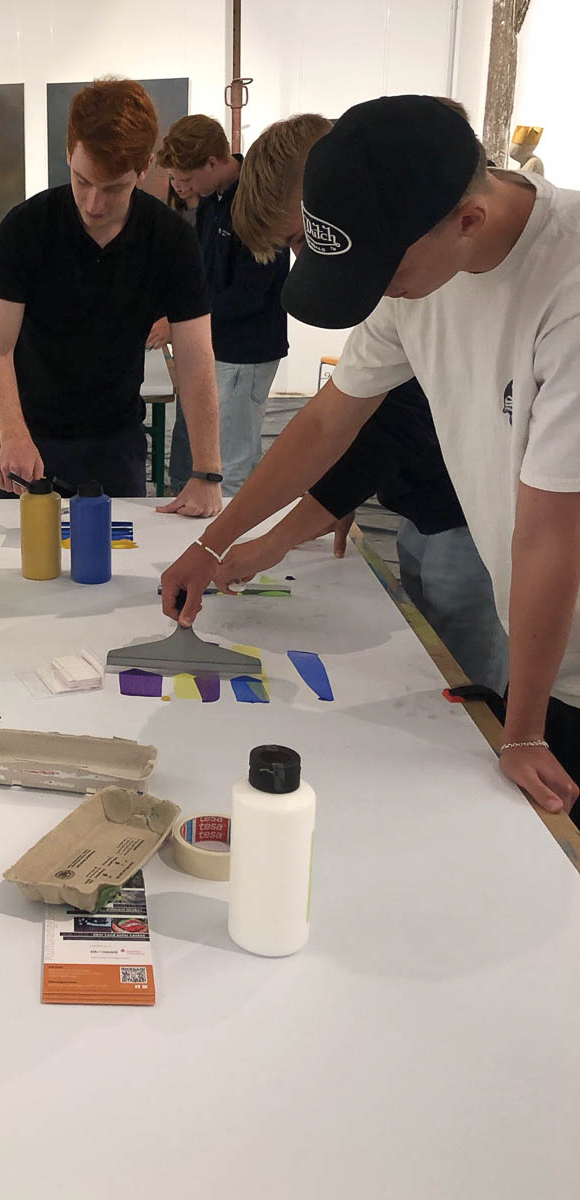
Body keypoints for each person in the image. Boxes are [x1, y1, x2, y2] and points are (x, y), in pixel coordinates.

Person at [162, 94, 580, 821]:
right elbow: (329, 419)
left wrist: (523, 730)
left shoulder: (565, 287)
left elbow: (551, 534)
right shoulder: (413, 253)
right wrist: (212, 542)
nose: (379, 290)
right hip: (544, 645)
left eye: (382, 271)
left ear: (468, 222)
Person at [219, 112, 507, 693]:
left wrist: (275, 538)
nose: (311, 258)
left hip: (475, 515)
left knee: (474, 694)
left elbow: (393, 423)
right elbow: (336, 416)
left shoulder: (432, 257)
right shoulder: (402, 272)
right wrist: (222, 537)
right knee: (439, 667)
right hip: (426, 505)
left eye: (305, 239)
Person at [0, 78, 223, 509]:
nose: (94, 204)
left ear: (145, 168)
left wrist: (206, 471)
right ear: (68, 153)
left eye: (114, 188)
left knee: (118, 549)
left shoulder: (170, 240)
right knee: (25, 553)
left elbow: (195, 357)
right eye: (83, 180)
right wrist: (12, 435)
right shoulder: (25, 228)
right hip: (28, 435)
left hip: (116, 439)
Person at [155, 115, 289, 495]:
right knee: (210, 450)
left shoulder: (256, 200)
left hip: (245, 351)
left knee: (230, 463)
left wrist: (183, 324)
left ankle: (228, 529)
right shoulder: (212, 200)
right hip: (217, 346)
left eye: (187, 177)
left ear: (212, 163)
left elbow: (250, 292)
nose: (183, 187)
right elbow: (203, 272)